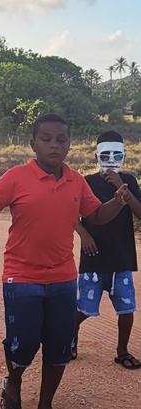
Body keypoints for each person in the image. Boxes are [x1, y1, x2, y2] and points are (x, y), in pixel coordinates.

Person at [0, 113, 132, 409]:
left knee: (59, 347)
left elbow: (96, 216)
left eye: (61, 140)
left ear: (70, 144)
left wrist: (118, 202)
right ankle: (14, 382)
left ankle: (46, 403)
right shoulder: (17, 176)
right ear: (33, 144)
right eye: (46, 140)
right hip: (21, 277)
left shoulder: (76, 181)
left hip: (63, 279)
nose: (54, 146)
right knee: (24, 345)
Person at [73, 130, 141, 369]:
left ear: (124, 155)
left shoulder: (130, 181)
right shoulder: (86, 182)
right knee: (84, 308)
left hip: (121, 257)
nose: (111, 159)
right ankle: (71, 339)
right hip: (93, 257)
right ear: (96, 155)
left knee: (126, 308)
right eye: (105, 154)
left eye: (116, 154)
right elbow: (71, 213)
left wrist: (124, 189)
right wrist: (83, 233)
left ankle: (122, 351)